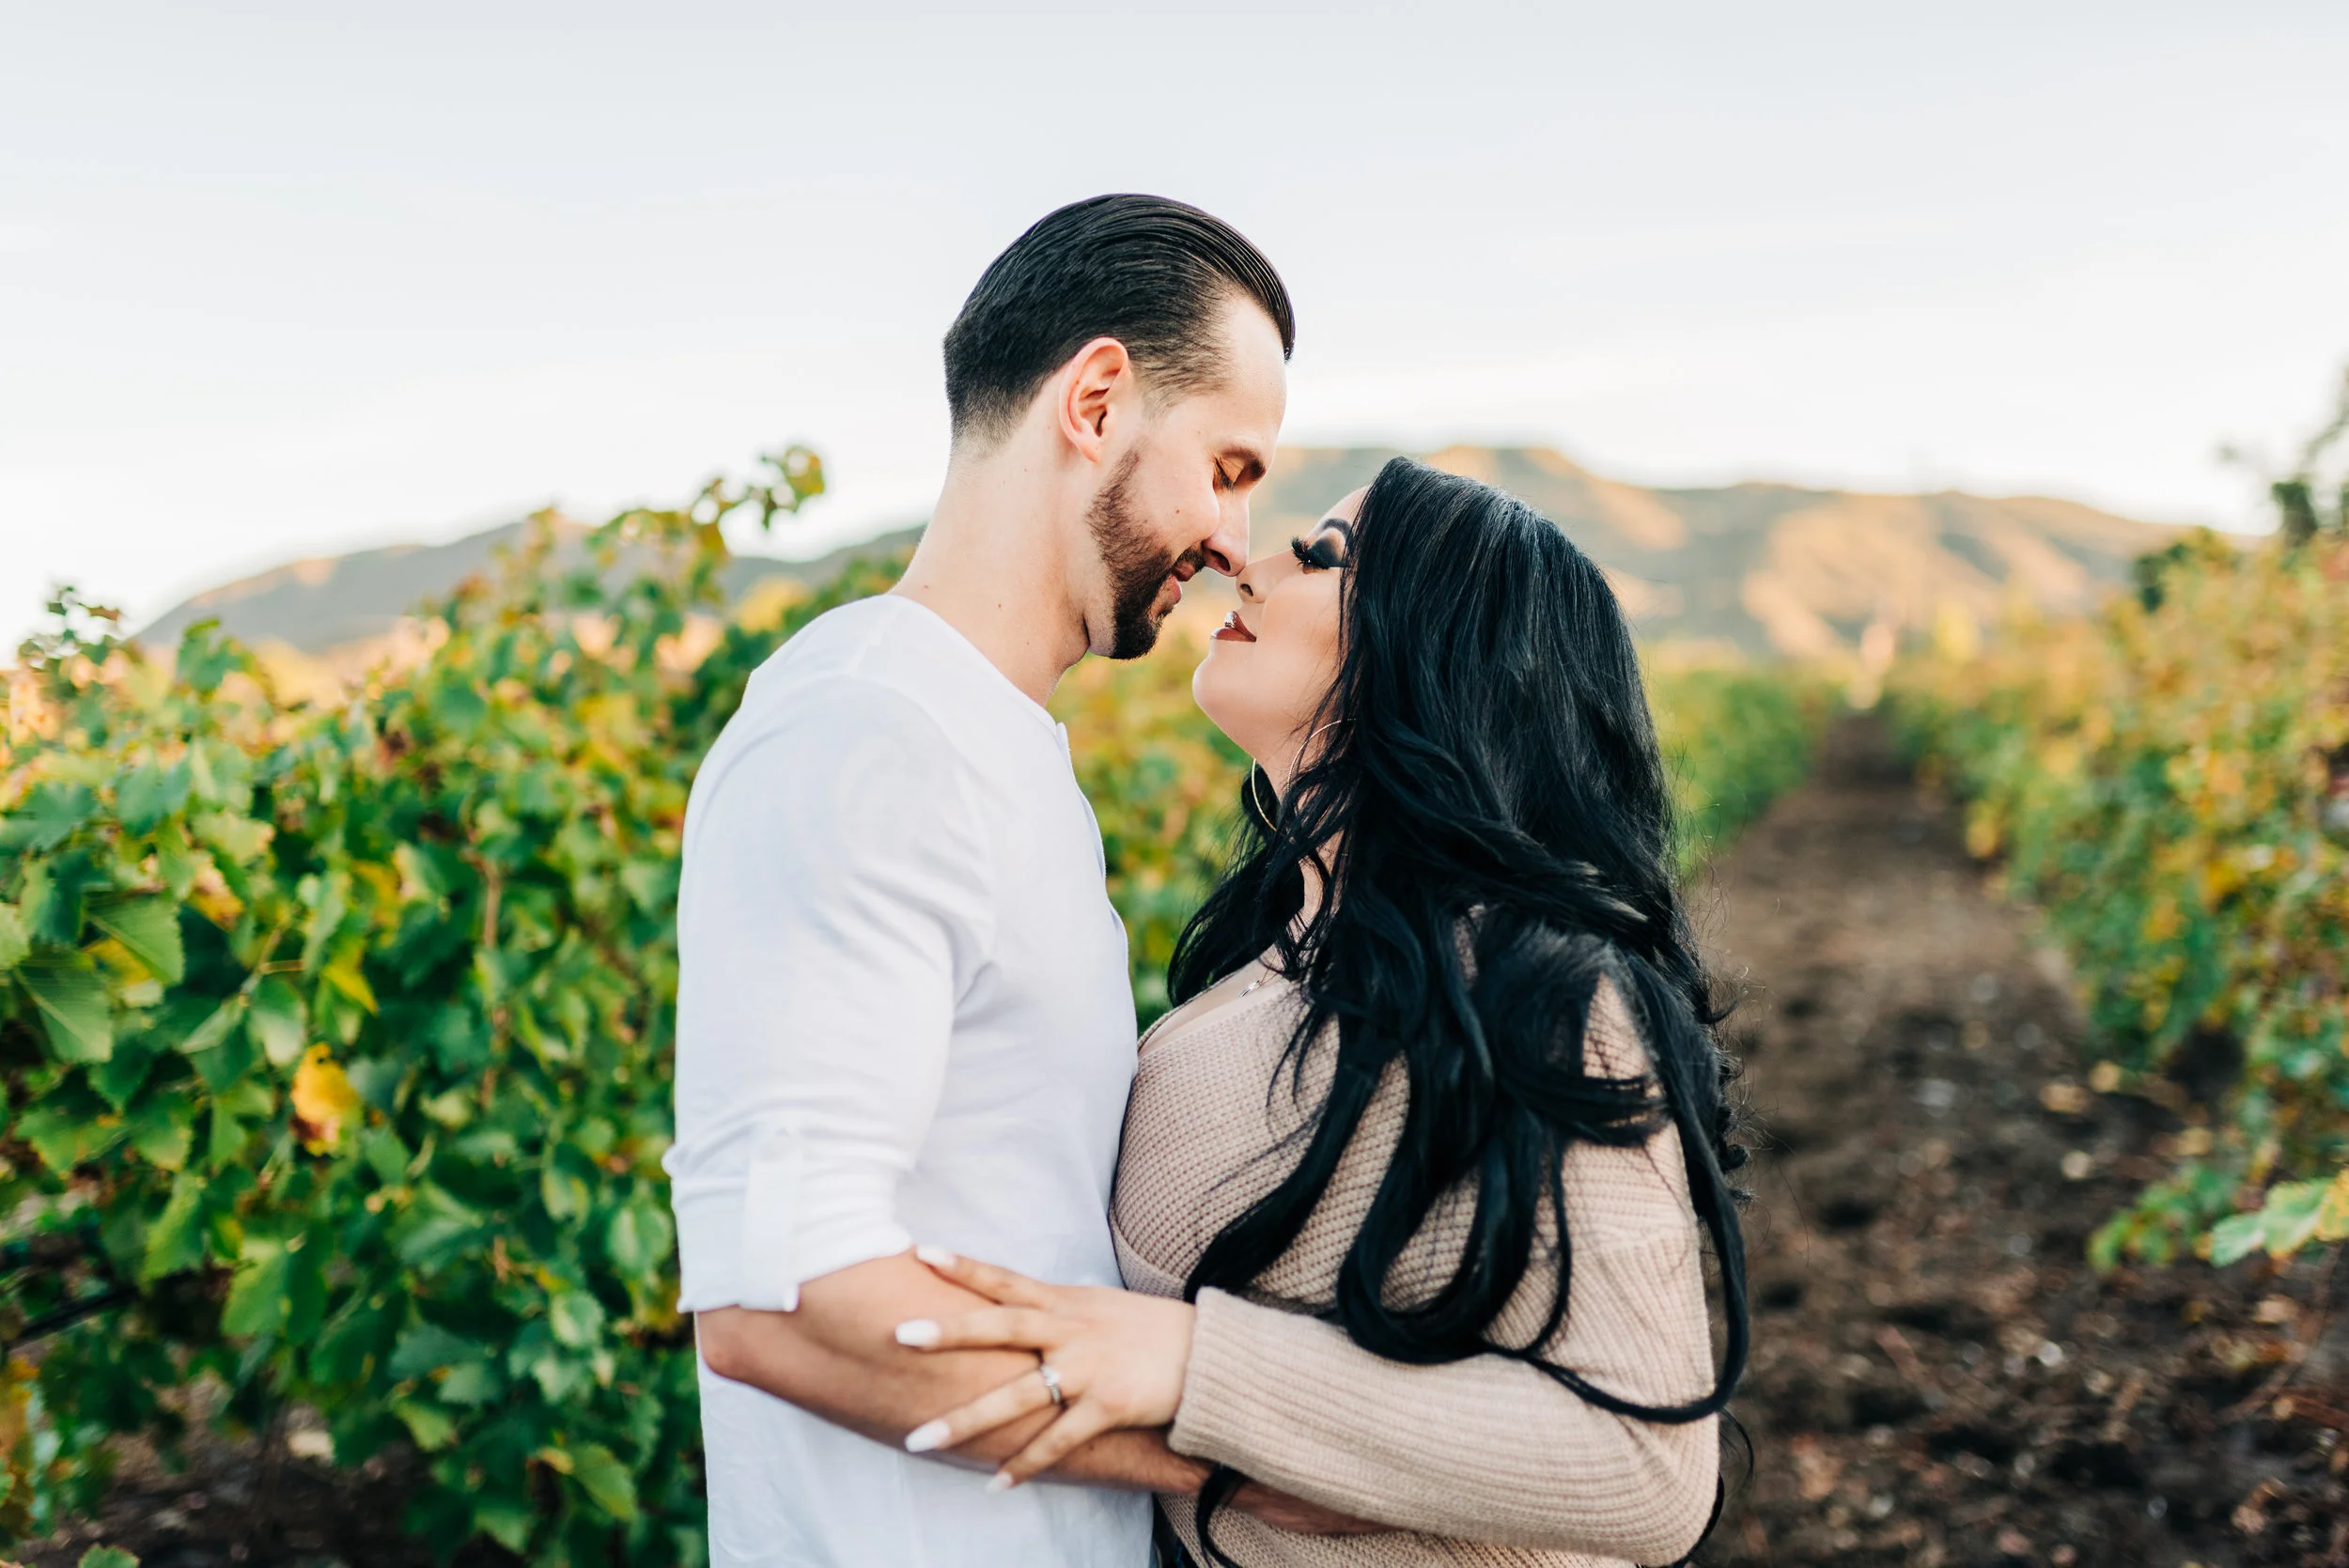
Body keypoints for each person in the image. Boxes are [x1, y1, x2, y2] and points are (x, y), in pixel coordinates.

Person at [663, 194, 1365, 1568]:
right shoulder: (867, 733)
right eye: (1227, 467)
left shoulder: (997, 753)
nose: (1235, 538)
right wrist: (1262, 1472)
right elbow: (777, 1298)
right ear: (1097, 399)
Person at [889, 459, 1752, 1566]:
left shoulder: (1537, 992)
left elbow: (1646, 1467)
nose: (1245, 566)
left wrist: (1194, 1367)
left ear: (1441, 651)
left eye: (1325, 556)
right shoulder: (1250, 984)